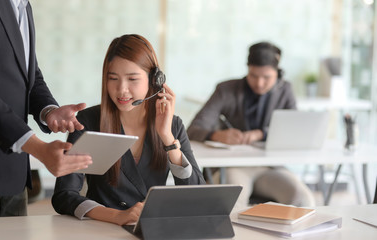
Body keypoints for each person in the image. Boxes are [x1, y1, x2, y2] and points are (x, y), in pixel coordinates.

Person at [0, 0, 92, 218]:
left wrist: (48, 111)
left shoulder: (23, 6)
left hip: (14, 177)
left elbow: (30, 75)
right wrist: (39, 148)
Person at [52, 34, 205, 225]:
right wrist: (116, 216)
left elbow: (197, 196)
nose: (122, 89)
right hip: (101, 227)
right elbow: (64, 195)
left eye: (132, 79)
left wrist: (167, 138)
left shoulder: (172, 125)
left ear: (154, 80)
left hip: (150, 229)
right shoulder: (89, 121)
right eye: (113, 78)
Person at [187, 42, 315, 209]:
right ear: (247, 69)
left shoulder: (285, 90)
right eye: (253, 75)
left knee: (302, 199)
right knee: (232, 203)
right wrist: (217, 135)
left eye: (267, 77)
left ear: (278, 73)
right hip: (232, 166)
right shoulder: (226, 89)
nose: (259, 83)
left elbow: (296, 130)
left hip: (270, 167)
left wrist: (261, 134)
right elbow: (193, 128)